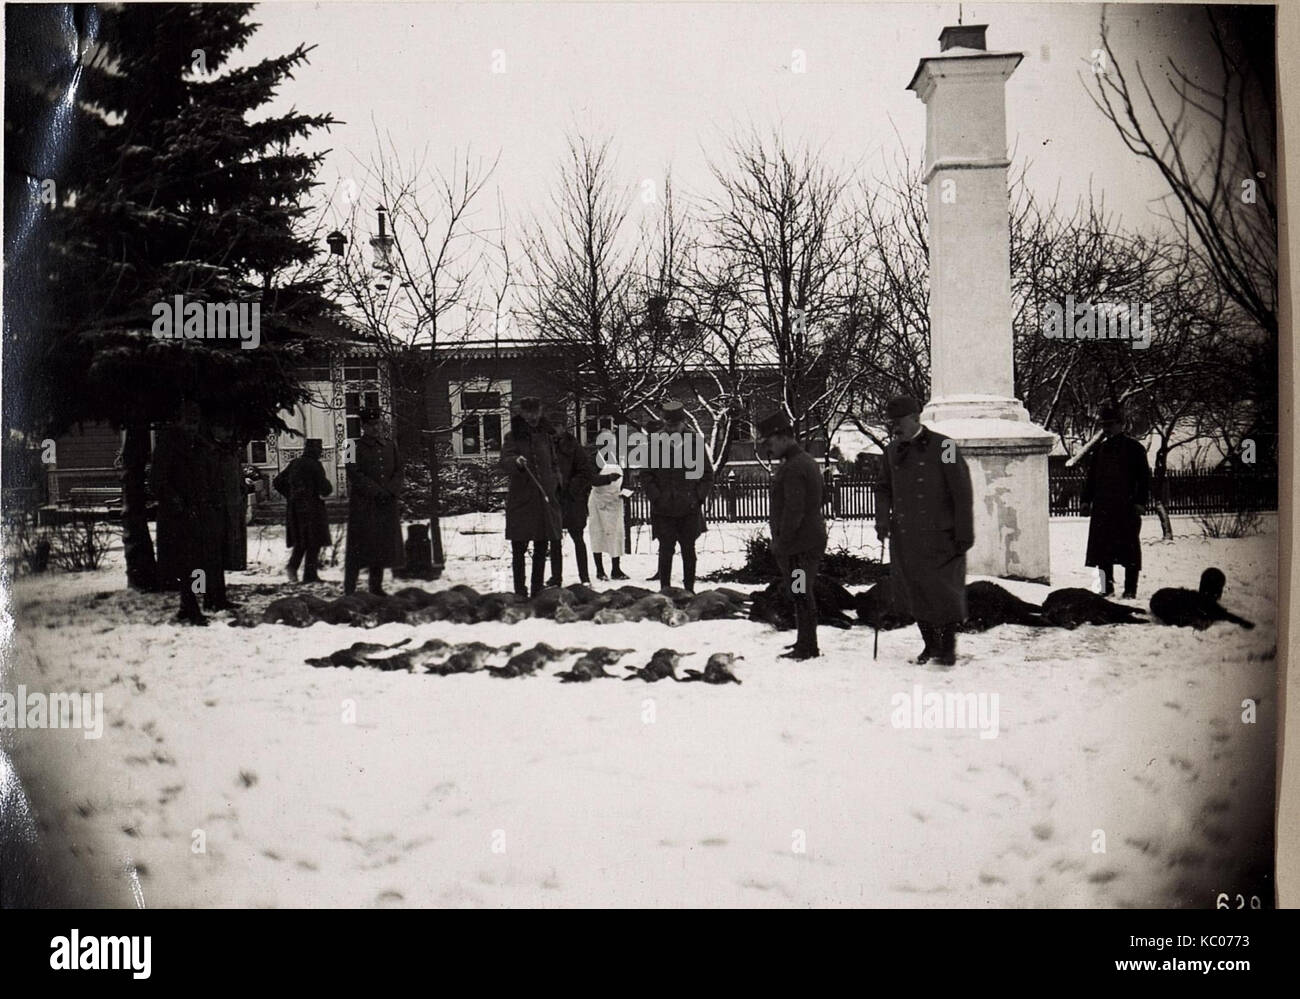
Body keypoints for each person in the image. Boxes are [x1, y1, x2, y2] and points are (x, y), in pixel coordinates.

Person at [874, 395, 973, 667]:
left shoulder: (946, 446)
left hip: (942, 535)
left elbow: (961, 492)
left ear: (916, 418)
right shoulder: (892, 451)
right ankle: (930, 645)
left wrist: (964, 532)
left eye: (899, 422)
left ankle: (948, 648)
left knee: (944, 593)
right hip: (906, 537)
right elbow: (883, 488)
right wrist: (881, 519)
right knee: (914, 592)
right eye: (891, 423)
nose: (895, 428)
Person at [149, 399, 226, 624]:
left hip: (199, 513)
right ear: (178, 421)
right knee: (185, 563)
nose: (192, 427)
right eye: (188, 422)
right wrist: (176, 502)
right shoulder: (168, 445)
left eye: (195, 423)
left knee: (197, 563)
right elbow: (156, 482)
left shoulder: (199, 446)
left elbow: (205, 478)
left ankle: (191, 605)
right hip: (177, 517)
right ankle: (190, 607)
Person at [759, 412, 827, 660]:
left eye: (770, 442)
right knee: (800, 593)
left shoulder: (796, 466)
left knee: (801, 593)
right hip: (803, 541)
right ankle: (805, 641)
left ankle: (808, 646)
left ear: (783, 437)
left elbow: (794, 511)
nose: (768, 448)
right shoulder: (801, 462)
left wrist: (782, 543)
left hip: (799, 545)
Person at [640, 399, 713, 593]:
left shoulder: (694, 441)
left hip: (688, 507)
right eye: (668, 424)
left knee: (689, 550)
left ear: (682, 422)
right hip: (663, 508)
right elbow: (646, 474)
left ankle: (689, 590)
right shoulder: (655, 442)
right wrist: (656, 497)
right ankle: (665, 590)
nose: (671, 429)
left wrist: (696, 497)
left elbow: (706, 474)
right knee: (665, 550)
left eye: (675, 425)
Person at [1082, 401, 1150, 598]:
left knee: (1129, 550)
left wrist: (1140, 502)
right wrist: (1086, 500)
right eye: (1104, 425)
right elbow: (1091, 479)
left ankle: (1130, 590)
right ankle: (1105, 588)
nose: (1107, 429)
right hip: (1102, 508)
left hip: (1125, 508)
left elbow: (1143, 479)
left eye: (1110, 424)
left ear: (1121, 424)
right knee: (1101, 551)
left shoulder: (1135, 449)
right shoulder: (1100, 451)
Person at [500, 397, 561, 598]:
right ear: (522, 413)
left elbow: (553, 463)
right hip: (522, 499)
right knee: (519, 546)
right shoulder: (512, 437)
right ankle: (520, 590)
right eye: (529, 412)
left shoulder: (546, 436)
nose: (533, 416)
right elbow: (504, 461)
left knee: (542, 544)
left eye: (536, 411)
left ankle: (537, 589)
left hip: (544, 498)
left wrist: (554, 483)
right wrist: (515, 461)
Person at [344, 406, 404, 595]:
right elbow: (352, 473)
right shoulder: (350, 446)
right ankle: (349, 589)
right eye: (370, 425)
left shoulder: (391, 445)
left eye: (377, 424)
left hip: (386, 505)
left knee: (381, 546)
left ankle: (376, 587)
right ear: (363, 426)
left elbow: (400, 471)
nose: (375, 428)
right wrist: (376, 491)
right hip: (364, 507)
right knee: (357, 549)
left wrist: (390, 491)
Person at [548, 420, 605, 586]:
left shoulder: (574, 447)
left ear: (563, 428)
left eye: (557, 426)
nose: (554, 431)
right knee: (555, 540)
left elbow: (585, 472)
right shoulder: (548, 447)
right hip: (555, 499)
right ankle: (556, 577)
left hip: (572, 500)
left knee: (578, 538)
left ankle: (584, 577)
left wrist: (571, 488)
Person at [273, 438, 333, 583]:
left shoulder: (295, 463)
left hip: (295, 509)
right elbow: (325, 489)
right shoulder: (315, 465)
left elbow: (277, 481)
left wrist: (290, 495)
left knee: (301, 541)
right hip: (313, 509)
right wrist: (325, 489)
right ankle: (309, 575)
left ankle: (293, 568)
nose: (321, 452)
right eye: (320, 449)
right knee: (314, 542)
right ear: (316, 450)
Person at [589, 418, 628, 581]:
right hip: (598, 501)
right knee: (598, 534)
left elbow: (627, 480)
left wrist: (626, 492)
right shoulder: (593, 458)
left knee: (616, 535)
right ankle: (600, 570)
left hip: (615, 502)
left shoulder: (620, 458)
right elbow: (590, 479)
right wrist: (608, 478)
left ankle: (616, 569)